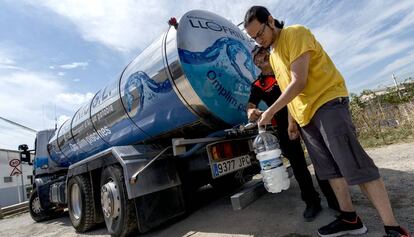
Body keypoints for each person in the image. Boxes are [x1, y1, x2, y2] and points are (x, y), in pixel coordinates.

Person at [244, 6, 411, 237]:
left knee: (355, 164)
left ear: (270, 21)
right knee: (330, 171)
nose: (259, 41)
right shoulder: (273, 54)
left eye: (260, 33)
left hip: (327, 104)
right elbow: (290, 92)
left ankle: (393, 227)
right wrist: (292, 122)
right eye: (253, 38)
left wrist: (270, 112)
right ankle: (350, 218)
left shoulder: (295, 34)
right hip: (306, 117)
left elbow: (299, 82)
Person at [247, 45, 339, 222]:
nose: (261, 58)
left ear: (269, 53)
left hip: (305, 117)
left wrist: (293, 120)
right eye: (256, 58)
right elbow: (250, 105)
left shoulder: (286, 70)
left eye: (262, 53)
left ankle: (333, 198)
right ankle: (312, 202)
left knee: (321, 159)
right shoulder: (259, 84)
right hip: (284, 128)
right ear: (255, 64)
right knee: (298, 166)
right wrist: (251, 111)